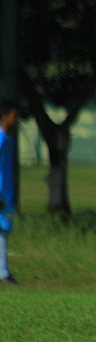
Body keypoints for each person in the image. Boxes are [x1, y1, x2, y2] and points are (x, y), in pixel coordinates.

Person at [0, 99, 19, 285]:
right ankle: (3, 273)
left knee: (3, 230)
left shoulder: (7, 139)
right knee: (2, 230)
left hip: (5, 193)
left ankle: (3, 272)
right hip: (0, 193)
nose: (17, 120)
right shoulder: (0, 139)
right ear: (5, 117)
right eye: (14, 116)